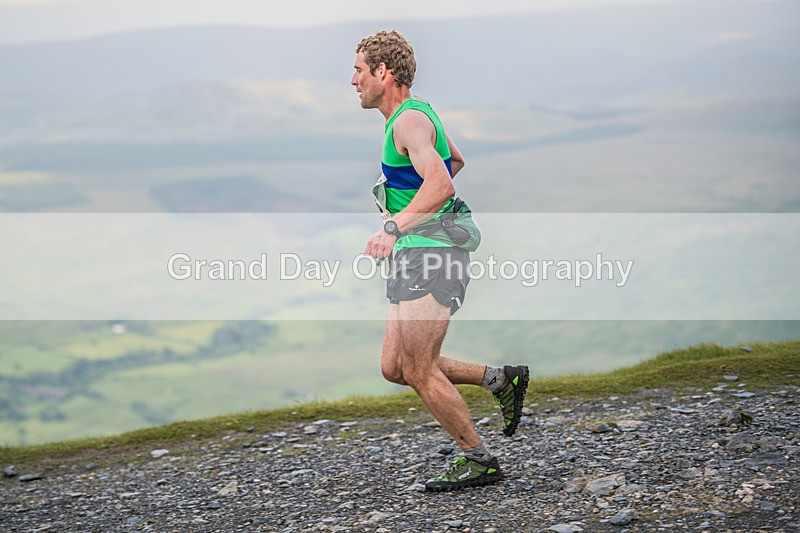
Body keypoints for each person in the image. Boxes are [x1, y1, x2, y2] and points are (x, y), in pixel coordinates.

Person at [352, 29, 529, 491]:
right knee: (396, 366)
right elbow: (454, 160)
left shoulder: (408, 122)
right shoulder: (412, 119)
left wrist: (395, 225)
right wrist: (414, 201)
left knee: (419, 368)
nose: (353, 81)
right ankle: (500, 380)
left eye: (358, 71)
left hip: (432, 254)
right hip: (421, 250)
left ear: (382, 72)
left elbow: (443, 183)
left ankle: (479, 459)